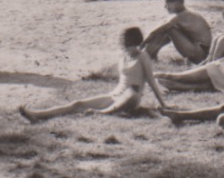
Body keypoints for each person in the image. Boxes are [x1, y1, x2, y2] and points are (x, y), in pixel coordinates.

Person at [19, 27, 169, 122]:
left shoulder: (143, 57)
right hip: (115, 95)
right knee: (78, 104)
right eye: (124, 44)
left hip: (131, 97)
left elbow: (151, 81)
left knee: (131, 93)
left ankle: (101, 113)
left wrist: (164, 105)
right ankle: (38, 115)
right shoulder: (122, 56)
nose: (126, 48)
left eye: (128, 44)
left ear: (135, 43)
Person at [143, 0, 214, 62]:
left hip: (200, 55)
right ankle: (150, 54)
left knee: (168, 29)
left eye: (166, 4)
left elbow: (155, 32)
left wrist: (142, 44)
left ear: (175, 4)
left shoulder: (181, 16)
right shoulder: (185, 14)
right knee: (167, 27)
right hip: (202, 52)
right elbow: (161, 26)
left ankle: (147, 55)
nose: (165, 7)